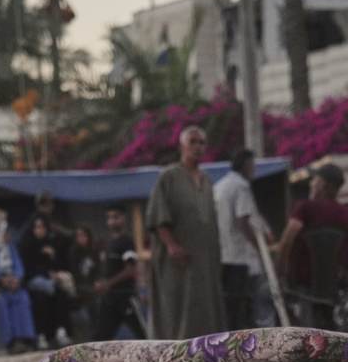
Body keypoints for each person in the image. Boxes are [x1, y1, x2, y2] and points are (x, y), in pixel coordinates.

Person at [145, 126, 226, 339]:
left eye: (202, 143)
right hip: (177, 258)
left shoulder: (207, 180)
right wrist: (171, 245)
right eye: (193, 142)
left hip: (205, 257)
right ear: (182, 145)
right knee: (176, 307)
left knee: (205, 306)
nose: (198, 147)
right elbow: (158, 216)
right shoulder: (169, 176)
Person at [273, 163, 348, 298]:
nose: (311, 184)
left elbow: (286, 242)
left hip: (304, 288)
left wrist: (278, 276)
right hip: (338, 289)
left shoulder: (304, 209)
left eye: (314, 180)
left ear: (322, 184)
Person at [213, 148, 272, 329]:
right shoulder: (241, 186)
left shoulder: (219, 186)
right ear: (246, 165)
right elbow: (243, 220)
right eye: (253, 165)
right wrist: (260, 249)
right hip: (242, 259)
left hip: (224, 256)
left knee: (231, 309)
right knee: (248, 309)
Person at [87, 205, 145, 342]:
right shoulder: (107, 243)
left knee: (143, 335)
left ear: (123, 219)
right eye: (109, 218)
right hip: (109, 299)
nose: (112, 221)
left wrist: (108, 283)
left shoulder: (126, 242)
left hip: (125, 297)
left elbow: (131, 269)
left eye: (115, 217)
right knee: (100, 336)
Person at [0, 223, 38, 352]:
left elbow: (19, 266)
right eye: (3, 233)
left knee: (23, 299)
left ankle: (26, 338)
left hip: (14, 285)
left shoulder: (10, 248)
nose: (7, 236)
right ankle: (10, 341)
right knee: (2, 303)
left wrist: (16, 279)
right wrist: (1, 279)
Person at [19, 214, 75, 348]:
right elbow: (28, 269)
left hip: (51, 281)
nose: (40, 231)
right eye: (37, 227)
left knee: (61, 295)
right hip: (33, 283)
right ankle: (41, 336)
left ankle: (61, 332)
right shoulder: (27, 245)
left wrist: (52, 257)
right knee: (40, 300)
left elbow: (58, 264)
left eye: (43, 227)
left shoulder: (51, 244)